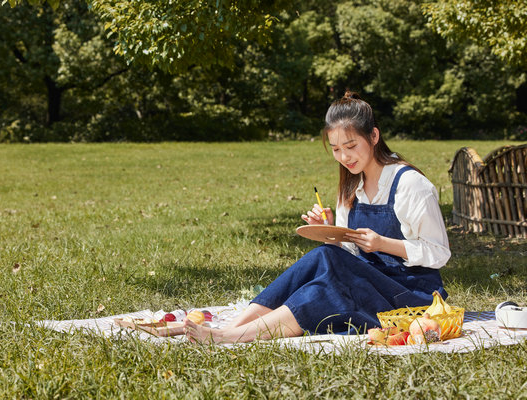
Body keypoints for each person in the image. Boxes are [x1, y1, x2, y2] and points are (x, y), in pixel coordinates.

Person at [185, 91, 451, 344]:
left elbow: (439, 253)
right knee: (324, 258)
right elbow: (347, 255)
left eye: (350, 146)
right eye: (336, 149)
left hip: (412, 300)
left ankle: (229, 337)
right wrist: (329, 232)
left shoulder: (410, 185)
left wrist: (382, 243)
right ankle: (232, 329)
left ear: (373, 136)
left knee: (326, 290)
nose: (344, 157)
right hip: (368, 285)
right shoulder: (351, 186)